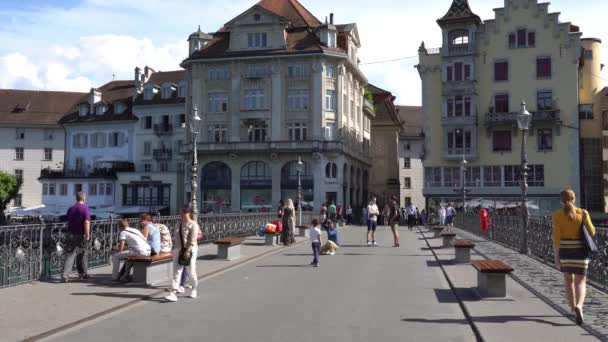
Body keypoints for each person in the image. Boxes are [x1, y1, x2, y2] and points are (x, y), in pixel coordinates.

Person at [552, 189, 596, 325]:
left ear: (561, 200)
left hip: (565, 251)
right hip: (580, 251)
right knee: (580, 282)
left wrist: (556, 258)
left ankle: (572, 309)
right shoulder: (583, 213)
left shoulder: (557, 215)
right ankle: (579, 306)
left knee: (568, 281)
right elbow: (592, 232)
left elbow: (556, 239)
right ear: (574, 199)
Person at [165, 207, 200, 302]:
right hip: (178, 249)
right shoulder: (178, 224)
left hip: (190, 249)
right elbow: (175, 237)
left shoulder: (193, 224)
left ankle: (194, 289)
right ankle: (173, 293)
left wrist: (187, 250)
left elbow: (193, 239)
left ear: (188, 213)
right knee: (176, 271)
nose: (180, 215)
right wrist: (174, 248)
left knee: (191, 271)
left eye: (182, 213)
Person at [61, 191, 91, 283]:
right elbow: (86, 222)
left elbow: (67, 221)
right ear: (84, 199)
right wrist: (87, 233)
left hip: (70, 234)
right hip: (80, 234)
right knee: (82, 254)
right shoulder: (85, 209)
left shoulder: (71, 208)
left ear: (76, 198)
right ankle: (82, 274)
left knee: (70, 255)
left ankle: (65, 276)